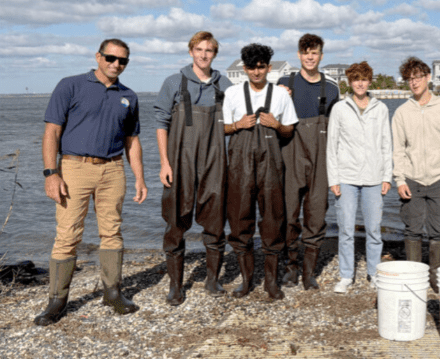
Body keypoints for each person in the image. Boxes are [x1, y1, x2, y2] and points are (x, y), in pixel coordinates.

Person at [35, 39, 148, 326]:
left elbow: (132, 141)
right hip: (74, 168)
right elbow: (52, 132)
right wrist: (51, 173)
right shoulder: (70, 85)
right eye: (110, 58)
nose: (116, 64)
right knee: (67, 235)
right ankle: (57, 301)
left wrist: (140, 178)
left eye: (122, 60)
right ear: (98, 57)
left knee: (112, 232)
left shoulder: (129, 96)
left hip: (113, 169)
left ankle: (113, 293)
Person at [154, 31, 232, 305]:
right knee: (175, 221)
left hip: (214, 161)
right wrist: (164, 163)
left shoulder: (225, 84)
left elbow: (244, 111)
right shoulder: (174, 82)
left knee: (215, 220)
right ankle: (175, 285)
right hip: (179, 162)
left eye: (208, 50)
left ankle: (212, 280)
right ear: (190, 52)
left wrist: (280, 90)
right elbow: (161, 122)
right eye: (199, 49)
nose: (203, 55)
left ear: (215, 54)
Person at [223, 44, 298, 300]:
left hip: (271, 165)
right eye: (251, 67)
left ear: (269, 67)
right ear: (244, 68)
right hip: (239, 165)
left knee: (273, 219)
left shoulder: (280, 95)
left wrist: (276, 125)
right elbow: (222, 128)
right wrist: (237, 125)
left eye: (261, 67)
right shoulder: (232, 93)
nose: (257, 72)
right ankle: (246, 281)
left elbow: (289, 130)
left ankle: (271, 282)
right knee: (239, 219)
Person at [392, 57, 440, 293]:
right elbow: (398, 149)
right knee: (412, 228)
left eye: (418, 77)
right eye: (409, 79)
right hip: (412, 179)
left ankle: (435, 277)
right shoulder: (401, 112)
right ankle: (414, 276)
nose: (414, 82)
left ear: (428, 77)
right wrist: (400, 179)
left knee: (438, 230)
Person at [279, 33, 340, 290]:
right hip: (291, 156)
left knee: (316, 214)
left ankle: (309, 271)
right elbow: (270, 118)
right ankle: (290, 267)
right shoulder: (284, 82)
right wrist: (278, 97)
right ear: (299, 55)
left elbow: (338, 129)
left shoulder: (332, 87)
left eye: (314, 53)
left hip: (320, 158)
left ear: (321, 56)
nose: (310, 57)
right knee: (289, 214)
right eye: (305, 53)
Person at [327, 62, 392, 293]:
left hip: (374, 178)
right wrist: (333, 179)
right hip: (346, 177)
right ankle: (346, 276)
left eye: (364, 79)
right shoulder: (339, 108)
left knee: (374, 229)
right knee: (346, 230)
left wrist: (387, 176)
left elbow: (386, 144)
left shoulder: (381, 109)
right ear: (350, 82)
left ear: (369, 81)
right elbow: (332, 146)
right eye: (356, 79)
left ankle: (374, 273)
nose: (360, 83)